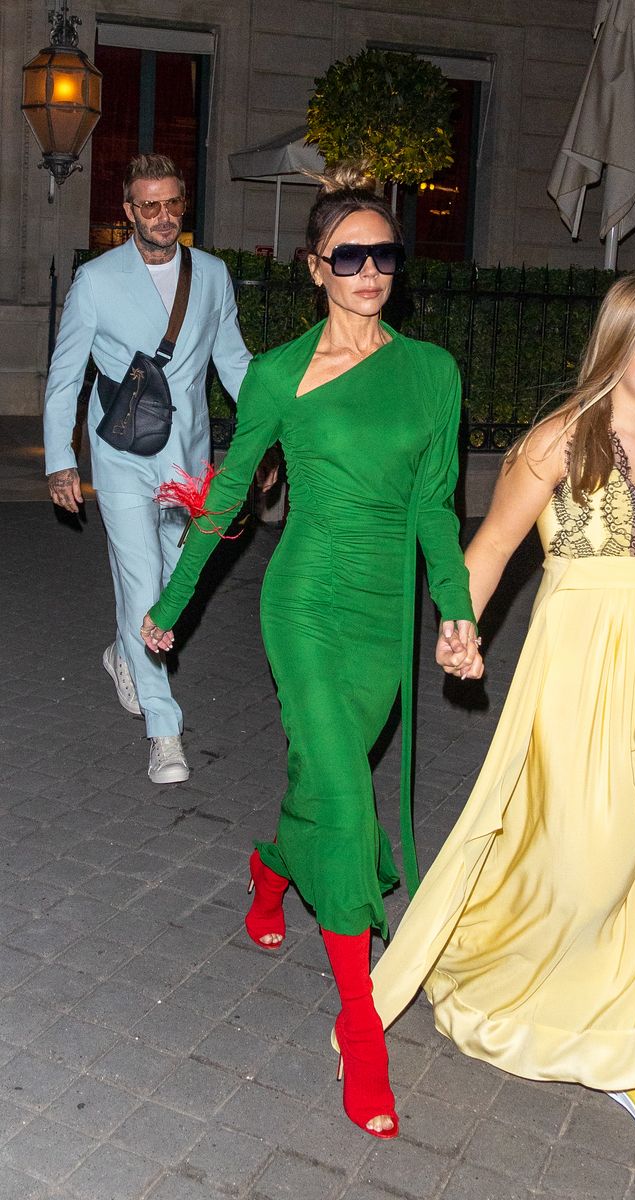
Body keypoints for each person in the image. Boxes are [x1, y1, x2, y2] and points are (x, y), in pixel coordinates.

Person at [140, 166, 481, 1138]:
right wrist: (169, 603)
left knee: (325, 782)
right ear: (315, 267)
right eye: (350, 256)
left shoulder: (431, 371)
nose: (370, 270)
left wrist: (454, 611)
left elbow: (431, 505)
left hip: (383, 616)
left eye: (384, 255)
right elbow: (232, 494)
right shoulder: (279, 374)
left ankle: (270, 862)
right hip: (302, 602)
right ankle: (359, 1022)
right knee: (343, 787)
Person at [370, 274, 635, 1152]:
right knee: (579, 849)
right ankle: (517, 972)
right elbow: (491, 547)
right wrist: (459, 627)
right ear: (618, 342)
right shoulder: (560, 441)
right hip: (576, 670)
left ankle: (633, 1051)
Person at [44, 154, 253, 785]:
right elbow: (65, 377)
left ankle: (122, 652)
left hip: (187, 459)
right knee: (143, 585)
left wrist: (273, 430)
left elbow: (234, 362)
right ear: (129, 211)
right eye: (149, 206)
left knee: (169, 579)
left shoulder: (212, 275)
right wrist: (61, 458)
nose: (163, 217)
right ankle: (165, 730)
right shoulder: (97, 280)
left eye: (173, 204)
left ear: (183, 205)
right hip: (121, 455)